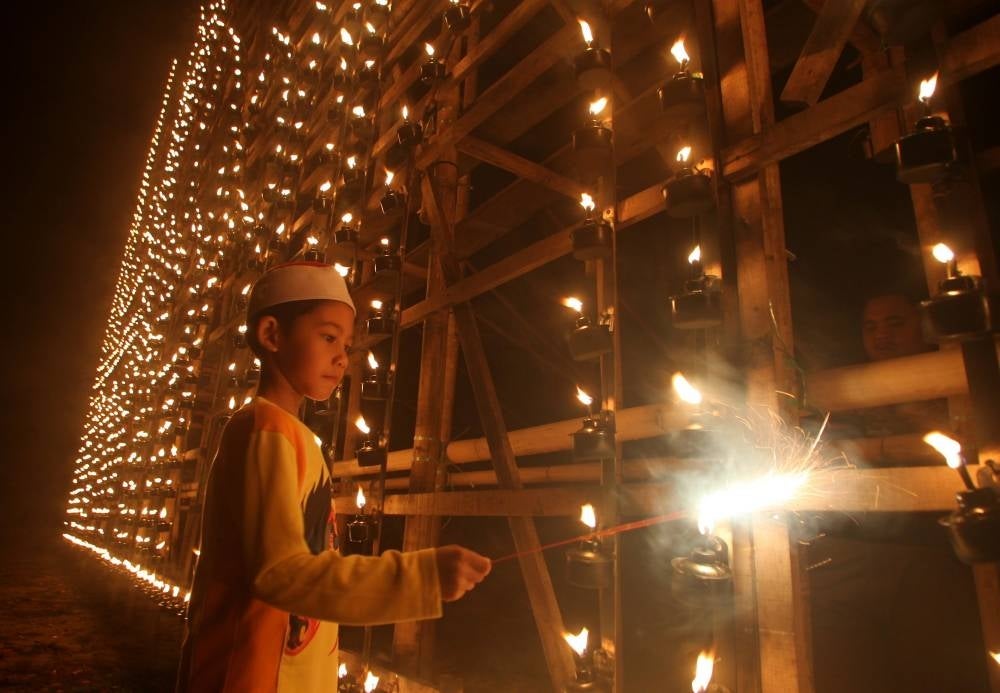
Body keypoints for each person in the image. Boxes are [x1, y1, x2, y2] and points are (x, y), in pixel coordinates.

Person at [176, 261, 491, 692]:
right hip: (252, 673)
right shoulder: (263, 432)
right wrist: (420, 578)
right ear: (272, 335)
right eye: (328, 337)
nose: (342, 357)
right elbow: (281, 573)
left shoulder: (294, 436)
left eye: (346, 343)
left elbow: (307, 564)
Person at [808, 287, 988, 693]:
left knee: (935, 675)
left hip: (929, 554)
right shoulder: (844, 391)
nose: (881, 335)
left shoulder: (960, 382)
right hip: (847, 551)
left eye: (895, 323)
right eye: (871, 326)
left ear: (924, 325)